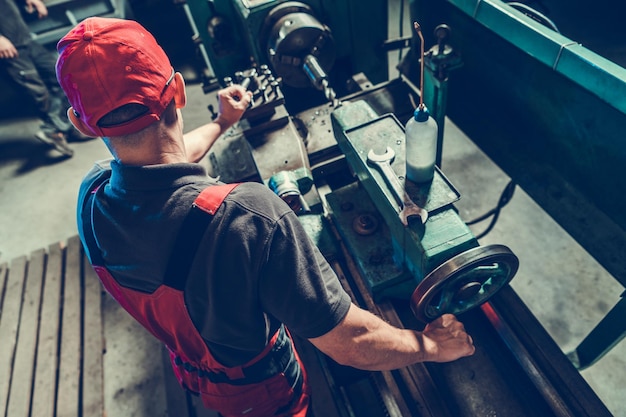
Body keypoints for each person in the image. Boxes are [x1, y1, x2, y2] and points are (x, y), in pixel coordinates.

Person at [57, 17, 475, 417]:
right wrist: (430, 345)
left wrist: (222, 123)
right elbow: (350, 341)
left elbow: (159, 159)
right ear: (179, 91)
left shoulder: (90, 198)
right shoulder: (248, 218)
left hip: (196, 372)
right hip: (264, 393)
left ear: (81, 124)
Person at [0, 0, 87, 157]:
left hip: (25, 39)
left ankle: (62, 128)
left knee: (62, 76)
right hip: (8, 50)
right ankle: (54, 131)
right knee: (37, 92)